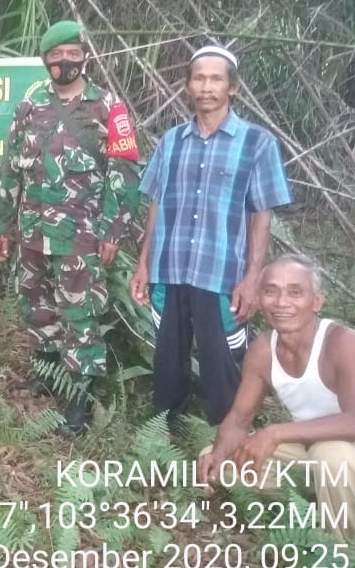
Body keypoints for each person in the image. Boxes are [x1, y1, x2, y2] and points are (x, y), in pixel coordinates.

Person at [130, 44, 292, 426]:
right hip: (170, 270)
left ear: (232, 87)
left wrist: (252, 279)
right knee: (168, 359)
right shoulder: (171, 142)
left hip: (220, 273)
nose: (207, 86)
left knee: (223, 363)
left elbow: (260, 216)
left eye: (216, 78)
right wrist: (143, 263)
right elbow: (155, 204)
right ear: (187, 86)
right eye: (199, 78)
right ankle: (165, 431)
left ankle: (227, 439)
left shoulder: (257, 143)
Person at [0, 20, 140, 435]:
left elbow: (124, 172)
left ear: (85, 56)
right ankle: (46, 372)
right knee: (36, 305)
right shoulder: (31, 104)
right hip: (32, 230)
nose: (64, 62)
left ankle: (79, 401)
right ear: (45, 62)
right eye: (56, 56)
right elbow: (9, 167)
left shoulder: (108, 107)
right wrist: (2, 223)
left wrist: (112, 230)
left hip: (81, 236)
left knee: (80, 313)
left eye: (72, 53)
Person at [197, 255, 355, 541]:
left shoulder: (342, 342)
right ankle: (323, 504)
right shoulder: (262, 350)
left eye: (295, 292)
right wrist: (219, 454)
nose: (282, 302)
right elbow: (238, 418)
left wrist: (275, 433)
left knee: (330, 455)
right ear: (258, 298)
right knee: (217, 461)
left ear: (317, 301)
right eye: (271, 291)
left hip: (341, 456)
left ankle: (343, 562)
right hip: (311, 456)